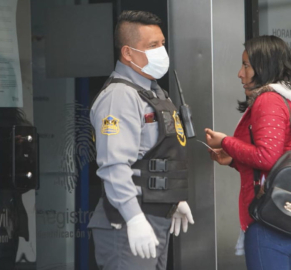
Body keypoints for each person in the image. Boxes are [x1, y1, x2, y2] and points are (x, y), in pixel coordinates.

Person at [204, 35, 291, 270]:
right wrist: (233, 160)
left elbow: (267, 157)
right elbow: (280, 155)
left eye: (246, 65)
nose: (240, 73)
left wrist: (227, 142)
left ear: (264, 66)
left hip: (271, 220)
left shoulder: (268, 99)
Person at [87, 10, 195, 270]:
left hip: (156, 218)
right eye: (152, 46)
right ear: (127, 53)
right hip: (127, 223)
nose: (161, 51)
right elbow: (114, 166)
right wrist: (134, 218)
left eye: (162, 44)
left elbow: (155, 156)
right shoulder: (120, 96)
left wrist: (172, 197)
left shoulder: (153, 92)